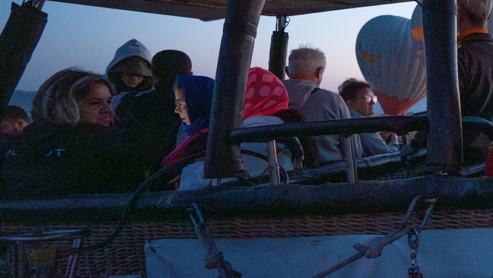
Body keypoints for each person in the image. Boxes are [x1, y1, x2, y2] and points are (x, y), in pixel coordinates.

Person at [0, 69, 152, 198]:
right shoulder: (116, 143)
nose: (108, 110)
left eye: (109, 102)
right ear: (63, 106)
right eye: (95, 103)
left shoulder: (15, 146)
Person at [164, 68, 296, 188]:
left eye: (231, 96)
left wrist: (188, 175)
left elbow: (223, 176)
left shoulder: (254, 133)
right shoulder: (284, 127)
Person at [284, 45, 360, 165]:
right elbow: (354, 151)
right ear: (319, 72)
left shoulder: (268, 99)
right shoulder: (332, 100)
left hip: (281, 176)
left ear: (287, 72)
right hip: (329, 176)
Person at [114, 49, 193, 166]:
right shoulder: (202, 107)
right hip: (180, 174)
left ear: (152, 73)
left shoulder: (127, 102)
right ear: (190, 75)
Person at [456, 0, 493, 125]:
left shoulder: (458, 56)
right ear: (489, 16)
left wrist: (416, 143)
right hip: (487, 139)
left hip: (457, 142)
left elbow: (445, 109)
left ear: (458, 15)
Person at [338, 78, 397, 157]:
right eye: (367, 98)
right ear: (350, 103)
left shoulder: (345, 118)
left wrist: (379, 139)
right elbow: (389, 155)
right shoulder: (361, 123)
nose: (372, 102)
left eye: (373, 98)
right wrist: (394, 140)